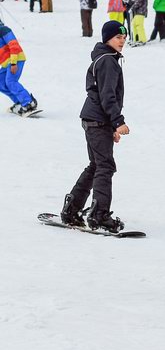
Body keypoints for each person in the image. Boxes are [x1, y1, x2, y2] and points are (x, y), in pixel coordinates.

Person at [61, 21, 130, 233]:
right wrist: (118, 122)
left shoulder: (104, 59)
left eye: (124, 38)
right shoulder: (108, 61)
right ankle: (99, 215)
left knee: (96, 165)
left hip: (95, 120)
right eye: (118, 37)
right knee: (105, 166)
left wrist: (110, 126)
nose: (122, 42)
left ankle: (72, 209)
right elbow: (107, 97)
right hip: (97, 119)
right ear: (107, 38)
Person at [0, 20, 38, 116]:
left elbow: (14, 46)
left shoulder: (4, 30)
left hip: (16, 59)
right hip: (5, 64)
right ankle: (20, 103)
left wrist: (13, 63)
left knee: (10, 81)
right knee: (1, 83)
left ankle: (29, 102)